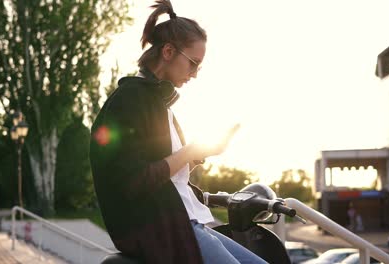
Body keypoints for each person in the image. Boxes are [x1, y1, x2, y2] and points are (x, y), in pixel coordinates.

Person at [89, 1, 267, 263]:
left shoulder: (156, 102)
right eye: (193, 63)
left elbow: (168, 178)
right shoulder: (131, 100)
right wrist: (189, 152)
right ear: (169, 51)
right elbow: (134, 181)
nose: (194, 74)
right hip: (165, 231)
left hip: (185, 222)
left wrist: (199, 155)